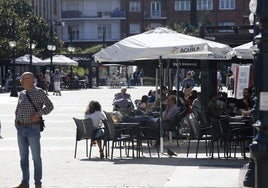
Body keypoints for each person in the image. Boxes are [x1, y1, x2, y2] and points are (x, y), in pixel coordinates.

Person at [14, 72, 54, 188]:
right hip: (21, 129)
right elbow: (18, 108)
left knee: (36, 158)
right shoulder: (21, 93)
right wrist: (16, 119)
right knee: (23, 158)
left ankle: (38, 183)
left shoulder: (39, 92)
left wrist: (39, 114)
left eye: (24, 79)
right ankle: (25, 182)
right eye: (21, 79)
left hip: (33, 128)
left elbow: (50, 106)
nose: (21, 81)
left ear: (31, 80)